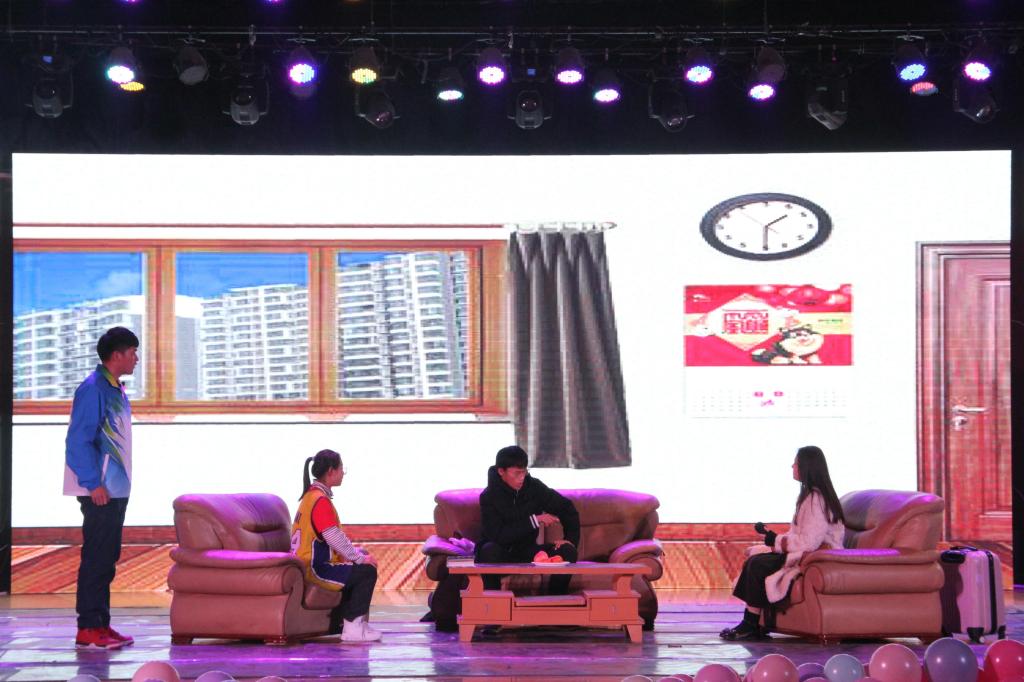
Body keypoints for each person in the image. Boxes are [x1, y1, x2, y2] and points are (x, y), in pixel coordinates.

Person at [720, 445, 846, 641]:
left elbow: (809, 542)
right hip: (806, 553)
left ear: (806, 467)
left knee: (757, 564)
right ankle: (755, 624)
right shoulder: (811, 496)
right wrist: (774, 541)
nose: (792, 467)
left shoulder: (816, 499)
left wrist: (776, 541)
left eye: (796, 463)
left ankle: (751, 625)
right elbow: (801, 536)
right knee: (756, 560)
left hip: (815, 558)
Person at [64, 327, 139, 649]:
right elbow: (78, 440)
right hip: (101, 490)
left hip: (115, 488)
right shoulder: (94, 388)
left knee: (107, 557)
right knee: (97, 558)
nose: (136, 358)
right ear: (117, 355)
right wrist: (93, 483)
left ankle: (101, 624)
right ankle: (89, 627)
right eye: (133, 352)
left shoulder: (113, 388)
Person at [291, 449, 381, 642]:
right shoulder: (320, 500)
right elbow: (333, 536)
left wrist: (354, 555)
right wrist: (359, 558)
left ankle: (353, 624)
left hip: (309, 566)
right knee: (366, 571)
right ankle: (353, 627)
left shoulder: (310, 496)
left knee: (359, 565)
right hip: (315, 569)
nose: (343, 473)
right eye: (341, 468)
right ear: (331, 471)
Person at [475, 445, 581, 595]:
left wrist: (570, 540)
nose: (522, 478)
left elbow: (567, 508)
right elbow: (498, 535)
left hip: (528, 552)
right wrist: (534, 521)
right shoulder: (488, 496)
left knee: (568, 551)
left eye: (524, 472)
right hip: (501, 553)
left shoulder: (534, 487)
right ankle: (494, 604)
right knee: (489, 550)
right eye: (517, 473)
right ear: (501, 471)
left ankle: (555, 600)